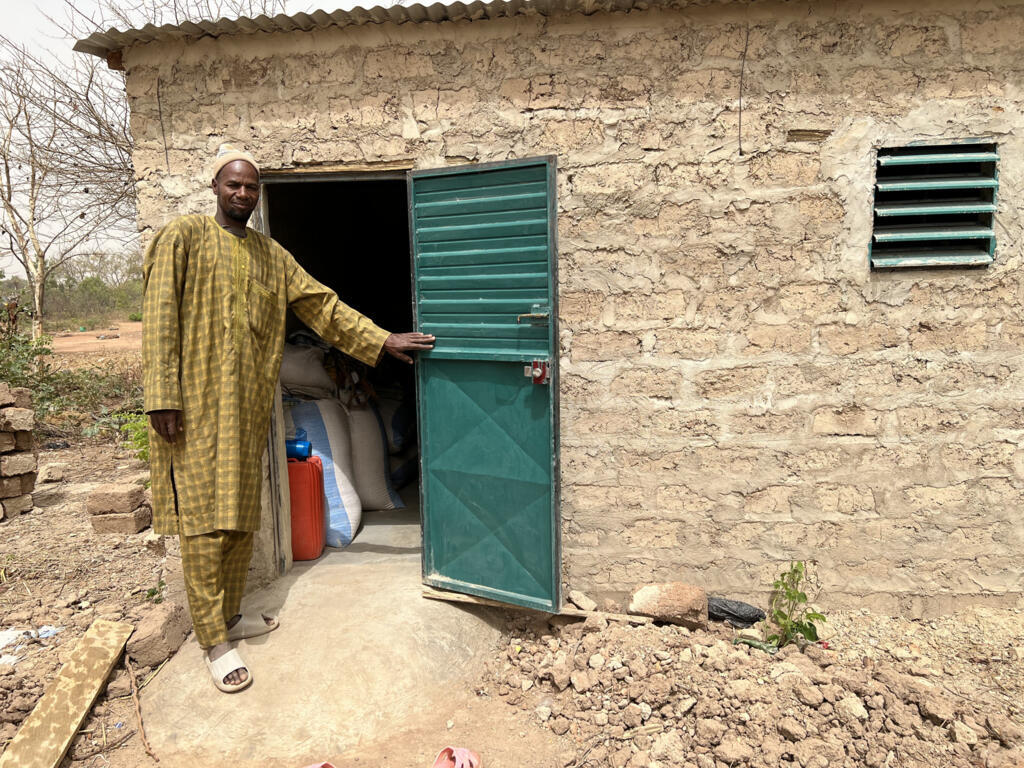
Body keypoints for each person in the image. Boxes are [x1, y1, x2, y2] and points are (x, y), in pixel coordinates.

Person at [142, 144, 434, 693]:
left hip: (249, 408)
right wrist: (162, 395)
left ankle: (228, 617)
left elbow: (322, 305)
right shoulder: (182, 236)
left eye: (251, 186)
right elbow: (159, 316)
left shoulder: (270, 256)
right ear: (215, 188)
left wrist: (381, 339)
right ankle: (214, 642)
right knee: (204, 525)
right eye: (234, 184)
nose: (243, 193)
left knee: (239, 519)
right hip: (193, 409)